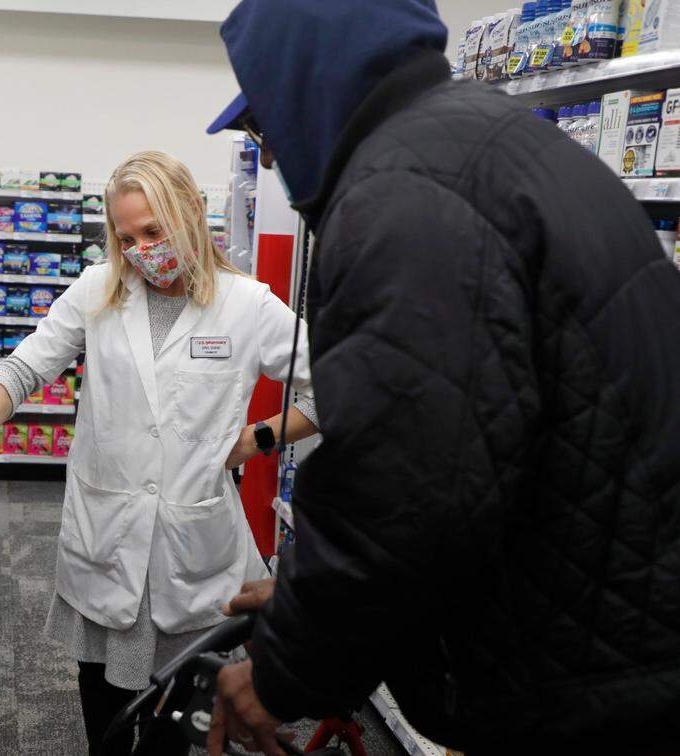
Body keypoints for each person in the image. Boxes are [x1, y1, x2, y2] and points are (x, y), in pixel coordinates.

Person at [204, 1, 680, 755]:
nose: (268, 156)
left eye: (264, 126)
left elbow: (403, 495)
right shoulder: (484, 143)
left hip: (588, 688)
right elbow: (471, 451)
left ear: (307, 83)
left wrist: (284, 667)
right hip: (607, 632)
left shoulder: (406, 198)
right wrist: (308, 599)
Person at [0, 150, 319, 755]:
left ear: (192, 212)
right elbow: (28, 364)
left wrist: (258, 438)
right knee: (105, 729)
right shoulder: (98, 290)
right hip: (106, 542)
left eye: (154, 231)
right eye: (127, 236)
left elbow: (334, 390)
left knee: (172, 735)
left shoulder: (249, 304)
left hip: (188, 555)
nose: (142, 250)